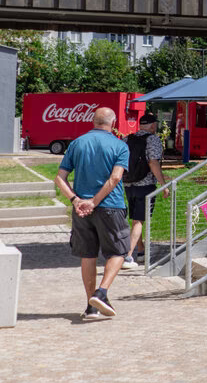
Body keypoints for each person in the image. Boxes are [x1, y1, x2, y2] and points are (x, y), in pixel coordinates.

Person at [52, 108, 130, 321]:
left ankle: (91, 307)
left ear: (93, 121)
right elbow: (115, 178)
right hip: (110, 206)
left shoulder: (77, 143)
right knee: (119, 251)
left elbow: (59, 178)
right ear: (113, 123)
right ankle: (101, 293)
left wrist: (76, 200)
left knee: (88, 255)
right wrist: (94, 202)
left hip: (81, 210)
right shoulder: (120, 146)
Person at [121, 112, 166, 269]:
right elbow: (153, 163)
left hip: (128, 184)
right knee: (139, 220)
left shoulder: (127, 139)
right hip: (145, 185)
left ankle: (141, 252)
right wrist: (163, 184)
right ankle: (127, 257)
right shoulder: (153, 140)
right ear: (153, 125)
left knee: (135, 219)